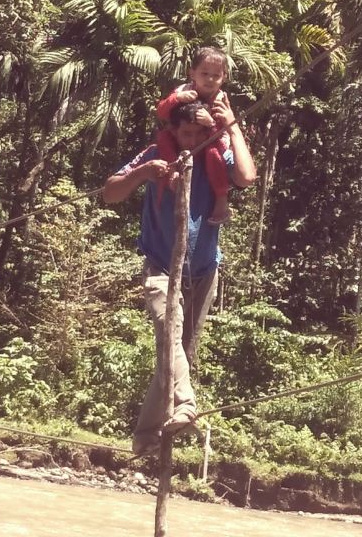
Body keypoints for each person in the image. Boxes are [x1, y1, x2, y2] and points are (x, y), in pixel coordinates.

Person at [102, 98, 257, 457]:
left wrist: (230, 125)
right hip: (161, 267)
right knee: (169, 337)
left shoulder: (216, 155)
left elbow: (247, 177)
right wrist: (143, 173)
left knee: (175, 354)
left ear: (206, 132)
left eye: (197, 133)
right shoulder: (157, 152)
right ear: (173, 131)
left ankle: (145, 437)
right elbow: (110, 193)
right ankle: (186, 404)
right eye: (184, 133)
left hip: (202, 271)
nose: (190, 140)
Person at [156, 47, 233, 224]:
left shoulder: (221, 100)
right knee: (163, 137)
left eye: (216, 75)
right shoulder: (183, 90)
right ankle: (173, 171)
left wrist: (211, 123)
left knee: (213, 153)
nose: (210, 79)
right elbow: (161, 112)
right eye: (204, 73)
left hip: (212, 142)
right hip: (181, 141)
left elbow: (224, 133)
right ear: (192, 73)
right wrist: (176, 99)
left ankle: (222, 200)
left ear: (224, 78)